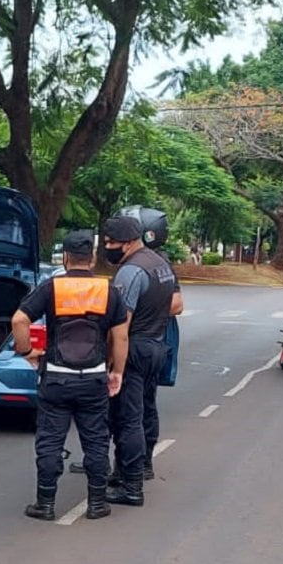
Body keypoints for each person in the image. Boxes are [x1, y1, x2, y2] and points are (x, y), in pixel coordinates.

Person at [12, 230, 129, 521]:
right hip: (93, 378)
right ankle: (97, 502)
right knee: (96, 441)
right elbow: (121, 337)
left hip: (56, 377)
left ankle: (46, 503)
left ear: (65, 258)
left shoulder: (51, 287)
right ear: (91, 259)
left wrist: (27, 353)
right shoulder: (108, 291)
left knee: (50, 440)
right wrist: (116, 372)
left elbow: (19, 319)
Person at [101, 214, 179, 507]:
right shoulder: (160, 264)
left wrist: (112, 363)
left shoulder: (130, 272)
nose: (108, 247)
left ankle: (131, 485)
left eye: (112, 242)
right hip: (157, 346)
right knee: (146, 409)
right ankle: (136, 467)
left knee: (127, 418)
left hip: (134, 349)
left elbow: (121, 328)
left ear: (129, 241)